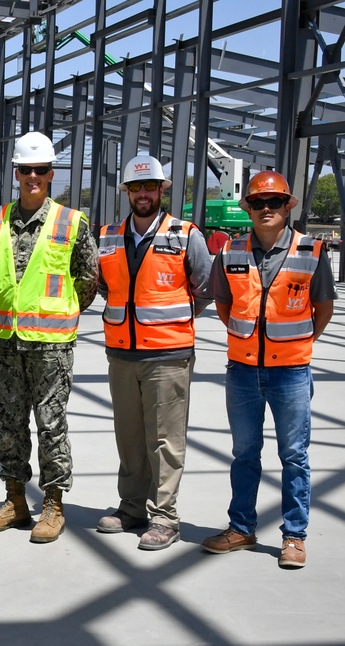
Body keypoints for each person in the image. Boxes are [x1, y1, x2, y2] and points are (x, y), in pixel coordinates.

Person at [201, 170, 336, 569]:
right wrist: (245, 338)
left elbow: (323, 307)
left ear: (286, 206)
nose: (266, 209)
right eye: (258, 203)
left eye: (273, 202)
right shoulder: (231, 250)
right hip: (242, 370)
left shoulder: (311, 251)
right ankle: (241, 528)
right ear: (249, 209)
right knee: (244, 453)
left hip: (290, 372)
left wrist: (299, 343)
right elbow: (223, 304)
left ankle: (294, 536)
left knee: (294, 455)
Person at [0, 132, 99, 544]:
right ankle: (15, 500)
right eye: (26, 170)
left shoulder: (72, 222)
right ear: (17, 173)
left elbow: (88, 281)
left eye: (41, 170)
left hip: (51, 345)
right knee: (9, 425)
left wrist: (60, 313)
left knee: (51, 426)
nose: (34, 177)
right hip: (6, 343)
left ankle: (53, 504)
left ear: (51, 174)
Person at [96, 155, 212, 550]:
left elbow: (205, 286)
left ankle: (165, 517)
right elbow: (104, 286)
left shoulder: (185, 233)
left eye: (150, 187)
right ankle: (131, 508)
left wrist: (174, 320)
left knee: (165, 439)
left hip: (168, 354)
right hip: (122, 354)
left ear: (162, 190)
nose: (143, 194)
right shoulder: (108, 235)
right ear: (126, 191)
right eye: (135, 188)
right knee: (129, 436)